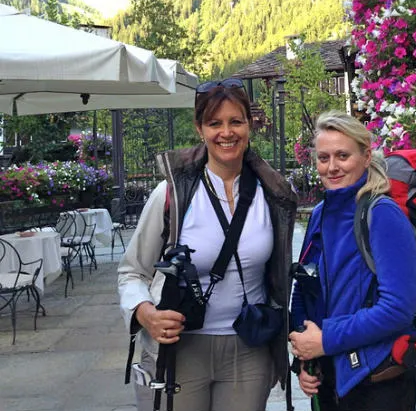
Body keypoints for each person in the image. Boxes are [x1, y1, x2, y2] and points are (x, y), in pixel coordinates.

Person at [118, 78, 297, 411]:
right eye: (215, 123)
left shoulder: (273, 195)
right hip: (181, 349)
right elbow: (132, 272)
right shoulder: (171, 195)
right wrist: (146, 314)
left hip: (249, 349)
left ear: (249, 125)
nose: (226, 132)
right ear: (200, 129)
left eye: (235, 121)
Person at [289, 110, 416, 411]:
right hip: (331, 378)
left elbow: (398, 309)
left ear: (365, 156)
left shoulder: (382, 213)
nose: (332, 167)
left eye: (342, 156)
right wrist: (305, 357)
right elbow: (306, 286)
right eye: (323, 158)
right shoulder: (320, 213)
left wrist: (326, 340)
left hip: (377, 382)